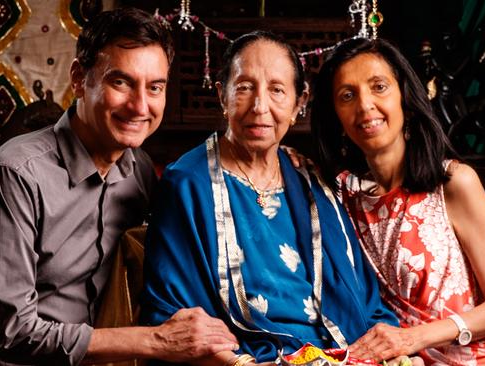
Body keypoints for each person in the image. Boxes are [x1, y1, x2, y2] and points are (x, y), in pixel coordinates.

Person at [0, 8, 237, 366]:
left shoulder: (139, 171)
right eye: (121, 82)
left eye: (155, 87)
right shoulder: (16, 174)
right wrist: (155, 340)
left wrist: (280, 161)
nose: (140, 106)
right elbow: (13, 335)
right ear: (79, 78)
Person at [140, 31, 406, 366]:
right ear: (222, 96)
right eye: (245, 87)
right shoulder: (187, 184)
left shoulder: (312, 181)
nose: (259, 107)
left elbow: (362, 299)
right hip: (250, 358)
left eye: (277, 90)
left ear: (299, 103)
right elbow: (173, 316)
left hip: (338, 354)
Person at [310, 37, 485, 365]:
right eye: (347, 95)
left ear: (405, 101)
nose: (365, 105)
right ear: (336, 116)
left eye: (379, 87)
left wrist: (412, 338)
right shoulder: (341, 198)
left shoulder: (452, 183)